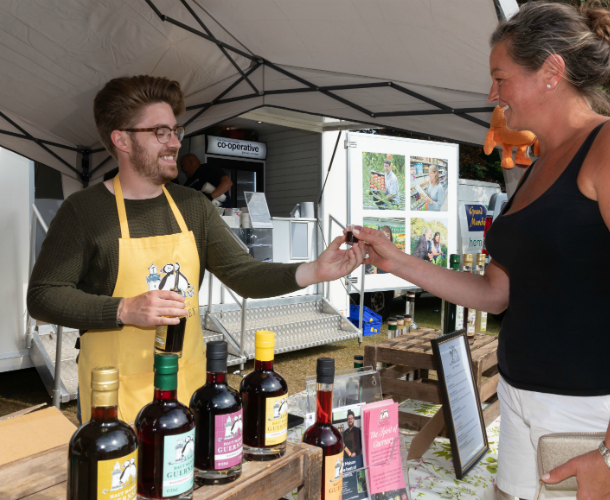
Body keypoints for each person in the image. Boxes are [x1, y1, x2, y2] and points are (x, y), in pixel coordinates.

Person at [354, 2, 610, 498]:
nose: (492, 94)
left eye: (501, 78)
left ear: (551, 71)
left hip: (597, 411)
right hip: (521, 400)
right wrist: (395, 259)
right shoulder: (538, 165)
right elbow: (495, 293)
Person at [27, 75, 364, 424]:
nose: (174, 142)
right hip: (113, 397)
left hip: (186, 386)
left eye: (176, 131)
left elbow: (243, 273)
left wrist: (315, 271)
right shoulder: (84, 211)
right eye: (160, 132)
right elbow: (42, 296)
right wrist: (124, 309)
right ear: (122, 139)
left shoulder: (193, 206)